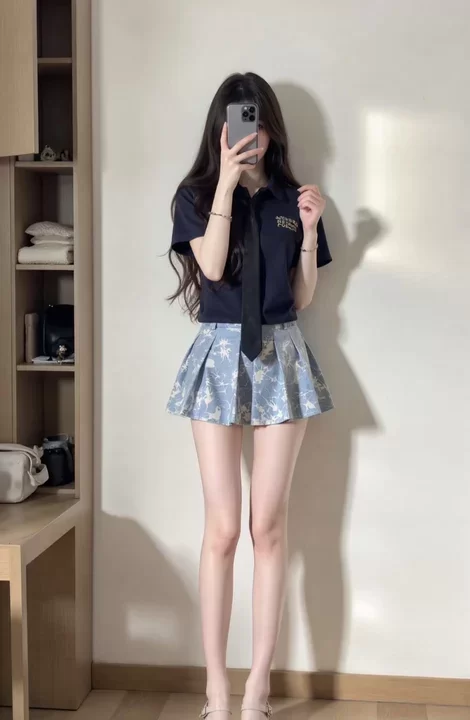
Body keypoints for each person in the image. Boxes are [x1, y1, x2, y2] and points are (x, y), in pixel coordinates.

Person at [167, 72, 333, 720]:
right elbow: (210, 267)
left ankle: (258, 689)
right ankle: (216, 690)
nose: (250, 134)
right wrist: (227, 187)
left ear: (272, 129)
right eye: (239, 121)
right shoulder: (195, 194)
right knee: (224, 528)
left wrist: (311, 232)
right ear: (220, 129)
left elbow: (301, 297)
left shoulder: (293, 198)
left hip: (281, 355)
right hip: (218, 353)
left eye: (259, 122)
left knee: (268, 526)